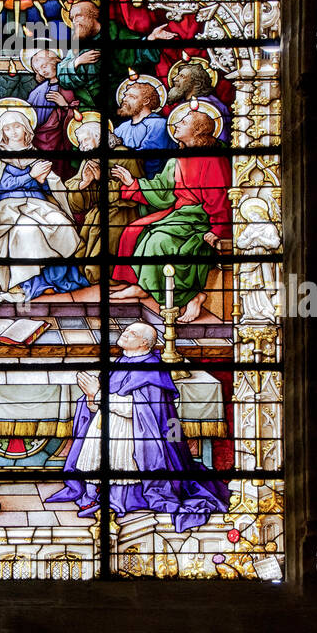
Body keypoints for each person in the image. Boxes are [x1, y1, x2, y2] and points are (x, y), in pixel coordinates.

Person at [46, 322, 230, 527]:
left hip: (131, 433)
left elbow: (140, 411)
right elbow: (101, 401)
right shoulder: (120, 362)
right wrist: (91, 398)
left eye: (130, 333)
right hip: (106, 426)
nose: (123, 334)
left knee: (118, 465)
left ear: (144, 343)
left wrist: (97, 394)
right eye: (125, 331)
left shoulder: (151, 370)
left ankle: (118, 501)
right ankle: (96, 496)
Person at [0, 102, 88, 315]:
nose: (12, 132)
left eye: (17, 126)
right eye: (7, 128)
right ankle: (24, 283)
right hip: (7, 207)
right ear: (1, 132)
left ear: (26, 128)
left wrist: (44, 180)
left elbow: (48, 185)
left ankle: (51, 279)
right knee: (27, 230)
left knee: (60, 223)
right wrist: (29, 176)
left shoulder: (35, 154)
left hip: (38, 204)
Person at [110, 101, 231, 317]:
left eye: (183, 122)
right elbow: (163, 190)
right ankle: (144, 286)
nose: (175, 124)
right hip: (180, 214)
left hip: (201, 217)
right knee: (137, 231)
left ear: (197, 130)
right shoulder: (178, 158)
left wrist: (218, 229)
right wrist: (133, 183)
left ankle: (189, 296)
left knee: (159, 240)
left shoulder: (212, 159)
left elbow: (219, 197)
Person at [55, 0, 177, 109]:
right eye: (72, 18)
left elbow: (135, 50)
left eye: (78, 16)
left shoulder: (115, 32)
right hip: (90, 104)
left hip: (121, 97)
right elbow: (61, 73)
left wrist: (151, 39)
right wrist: (78, 61)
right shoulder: (79, 42)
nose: (74, 21)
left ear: (93, 15)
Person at [64, 115, 140, 282]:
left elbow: (135, 192)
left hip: (123, 212)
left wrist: (101, 178)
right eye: (79, 143)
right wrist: (83, 184)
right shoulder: (89, 159)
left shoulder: (124, 155)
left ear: (98, 137)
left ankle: (109, 278)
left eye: (84, 141)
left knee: (107, 233)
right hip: (97, 212)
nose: (81, 146)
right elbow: (76, 202)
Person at [25, 46, 80, 179]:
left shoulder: (71, 85)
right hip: (41, 137)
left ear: (55, 61)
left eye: (44, 66)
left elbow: (82, 114)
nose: (43, 71)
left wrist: (65, 106)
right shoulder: (37, 91)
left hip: (62, 138)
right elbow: (29, 115)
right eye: (38, 70)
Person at [114, 77, 171, 177]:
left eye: (132, 96)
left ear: (146, 101)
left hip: (150, 181)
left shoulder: (158, 124)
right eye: (125, 95)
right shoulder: (122, 128)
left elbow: (150, 159)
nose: (124, 99)